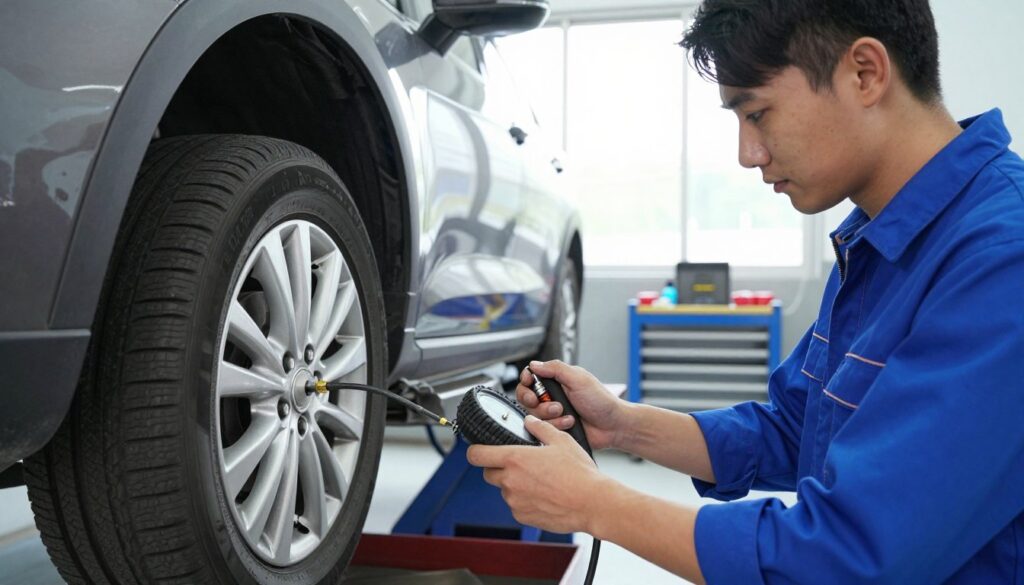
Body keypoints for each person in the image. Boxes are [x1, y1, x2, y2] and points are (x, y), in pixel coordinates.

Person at [466, 0, 1024, 583]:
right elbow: (794, 430)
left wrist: (594, 503)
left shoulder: (1001, 259)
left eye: (757, 113)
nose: (746, 154)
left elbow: (843, 561)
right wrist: (624, 425)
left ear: (865, 73)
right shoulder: (877, 241)